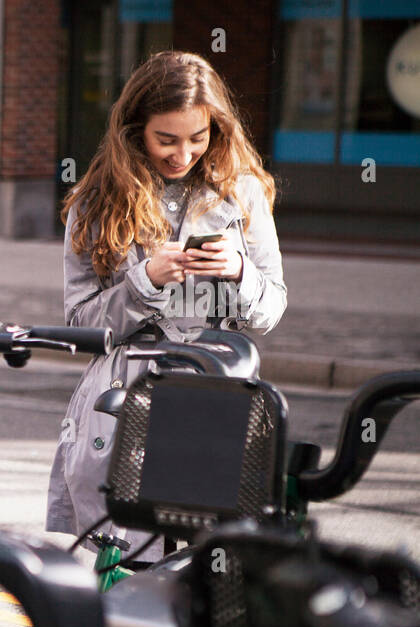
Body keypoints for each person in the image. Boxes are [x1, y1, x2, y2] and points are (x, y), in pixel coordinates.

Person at [46, 50, 287, 560]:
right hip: (121, 400)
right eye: (166, 140)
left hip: (216, 395)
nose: (183, 154)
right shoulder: (96, 200)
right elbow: (80, 322)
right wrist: (144, 281)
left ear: (216, 131)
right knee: (121, 570)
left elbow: (270, 310)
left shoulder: (242, 192)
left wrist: (239, 272)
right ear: (135, 130)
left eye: (198, 139)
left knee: (213, 575)